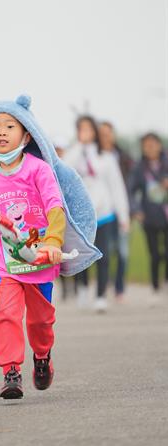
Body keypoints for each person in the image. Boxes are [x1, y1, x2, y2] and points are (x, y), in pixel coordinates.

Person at [0, 95, 101, 399]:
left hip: (40, 259)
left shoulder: (38, 169)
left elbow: (56, 208)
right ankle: (11, 371)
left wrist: (54, 242)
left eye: (9, 126)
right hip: (4, 263)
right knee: (7, 313)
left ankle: (42, 356)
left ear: (26, 134)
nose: (1, 132)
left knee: (41, 320)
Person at [64, 115, 129, 312]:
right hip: (81, 215)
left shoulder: (106, 157)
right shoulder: (73, 154)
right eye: (81, 129)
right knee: (81, 254)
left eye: (89, 129)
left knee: (104, 255)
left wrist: (123, 216)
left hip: (104, 213)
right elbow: (65, 171)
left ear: (95, 132)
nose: (86, 133)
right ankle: (83, 287)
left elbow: (116, 186)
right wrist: (79, 146)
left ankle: (100, 295)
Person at [129, 133, 168, 302]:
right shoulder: (139, 167)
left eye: (153, 144)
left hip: (166, 214)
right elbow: (131, 190)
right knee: (154, 254)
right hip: (149, 216)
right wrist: (136, 210)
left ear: (160, 145)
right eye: (146, 145)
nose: (150, 147)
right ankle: (154, 286)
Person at [99, 121, 133, 301]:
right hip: (104, 213)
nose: (105, 137)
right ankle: (105, 285)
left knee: (123, 252)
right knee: (106, 251)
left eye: (107, 133)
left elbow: (127, 185)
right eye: (101, 133)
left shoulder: (123, 157)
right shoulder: (94, 156)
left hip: (121, 208)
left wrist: (127, 212)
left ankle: (119, 286)